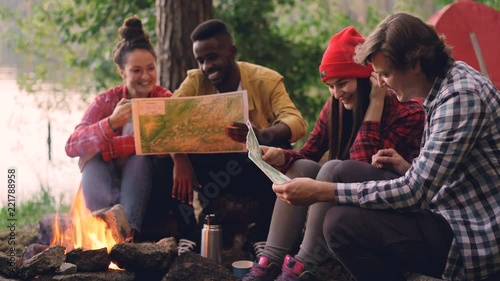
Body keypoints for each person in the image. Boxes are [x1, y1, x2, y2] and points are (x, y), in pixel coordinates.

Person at [272, 13, 500, 281]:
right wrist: (408, 167)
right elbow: (447, 173)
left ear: (414, 63)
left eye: (386, 74)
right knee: (339, 171)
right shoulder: (443, 84)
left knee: (339, 224)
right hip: (448, 205)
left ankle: (309, 266)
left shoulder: (460, 98)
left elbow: (414, 193)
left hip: (472, 234)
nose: (381, 83)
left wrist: (322, 192)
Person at [243, 26, 425, 281]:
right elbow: (308, 153)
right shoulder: (335, 109)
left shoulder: (407, 113)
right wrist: (281, 156)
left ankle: (304, 265)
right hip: (343, 197)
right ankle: (271, 260)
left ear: (367, 79)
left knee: (333, 168)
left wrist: (374, 105)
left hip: (384, 203)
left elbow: (357, 169)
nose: (337, 94)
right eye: (330, 86)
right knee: (302, 168)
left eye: (342, 83)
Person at [65, 16, 200, 253]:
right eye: (136, 70)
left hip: (147, 192)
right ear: (121, 72)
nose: (146, 76)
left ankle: (126, 236)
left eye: (150, 68)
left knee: (140, 154)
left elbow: (180, 137)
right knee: (93, 160)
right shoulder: (107, 100)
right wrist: (110, 124)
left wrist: (112, 147)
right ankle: (100, 230)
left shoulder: (164, 99)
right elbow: (71, 146)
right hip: (106, 184)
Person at [173, 19, 307, 255]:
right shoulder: (195, 81)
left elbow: (295, 121)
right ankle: (189, 236)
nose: (206, 66)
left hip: (250, 166)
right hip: (210, 171)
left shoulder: (265, 80)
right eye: (201, 60)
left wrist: (263, 134)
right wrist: (179, 159)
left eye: (213, 57)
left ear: (231, 52)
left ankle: (261, 236)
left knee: (281, 145)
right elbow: (169, 121)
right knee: (166, 161)